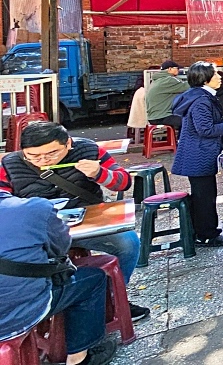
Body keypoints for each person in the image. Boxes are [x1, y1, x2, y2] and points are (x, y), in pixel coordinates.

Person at [0, 121, 149, 323]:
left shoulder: (89, 150)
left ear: (68, 144)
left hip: (89, 223)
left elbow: (124, 182)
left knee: (128, 243)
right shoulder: (9, 164)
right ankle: (49, 305)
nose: (43, 160)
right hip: (42, 232)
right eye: (33, 156)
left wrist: (99, 173)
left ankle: (113, 300)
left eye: (52, 153)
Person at [0, 189, 118, 365]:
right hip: (14, 318)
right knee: (94, 279)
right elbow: (60, 248)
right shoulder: (34, 208)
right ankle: (79, 358)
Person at [171, 61, 223, 247]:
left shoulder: (198, 96)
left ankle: (202, 231)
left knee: (203, 195)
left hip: (198, 153)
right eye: (215, 74)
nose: (219, 78)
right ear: (204, 79)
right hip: (199, 154)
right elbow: (205, 129)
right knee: (205, 197)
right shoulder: (201, 100)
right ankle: (207, 234)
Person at [145, 60, 188, 133]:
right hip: (162, 117)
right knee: (190, 121)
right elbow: (187, 86)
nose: (178, 70)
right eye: (177, 68)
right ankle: (183, 142)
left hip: (154, 117)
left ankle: (180, 140)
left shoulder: (157, 80)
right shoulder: (169, 80)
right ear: (170, 69)